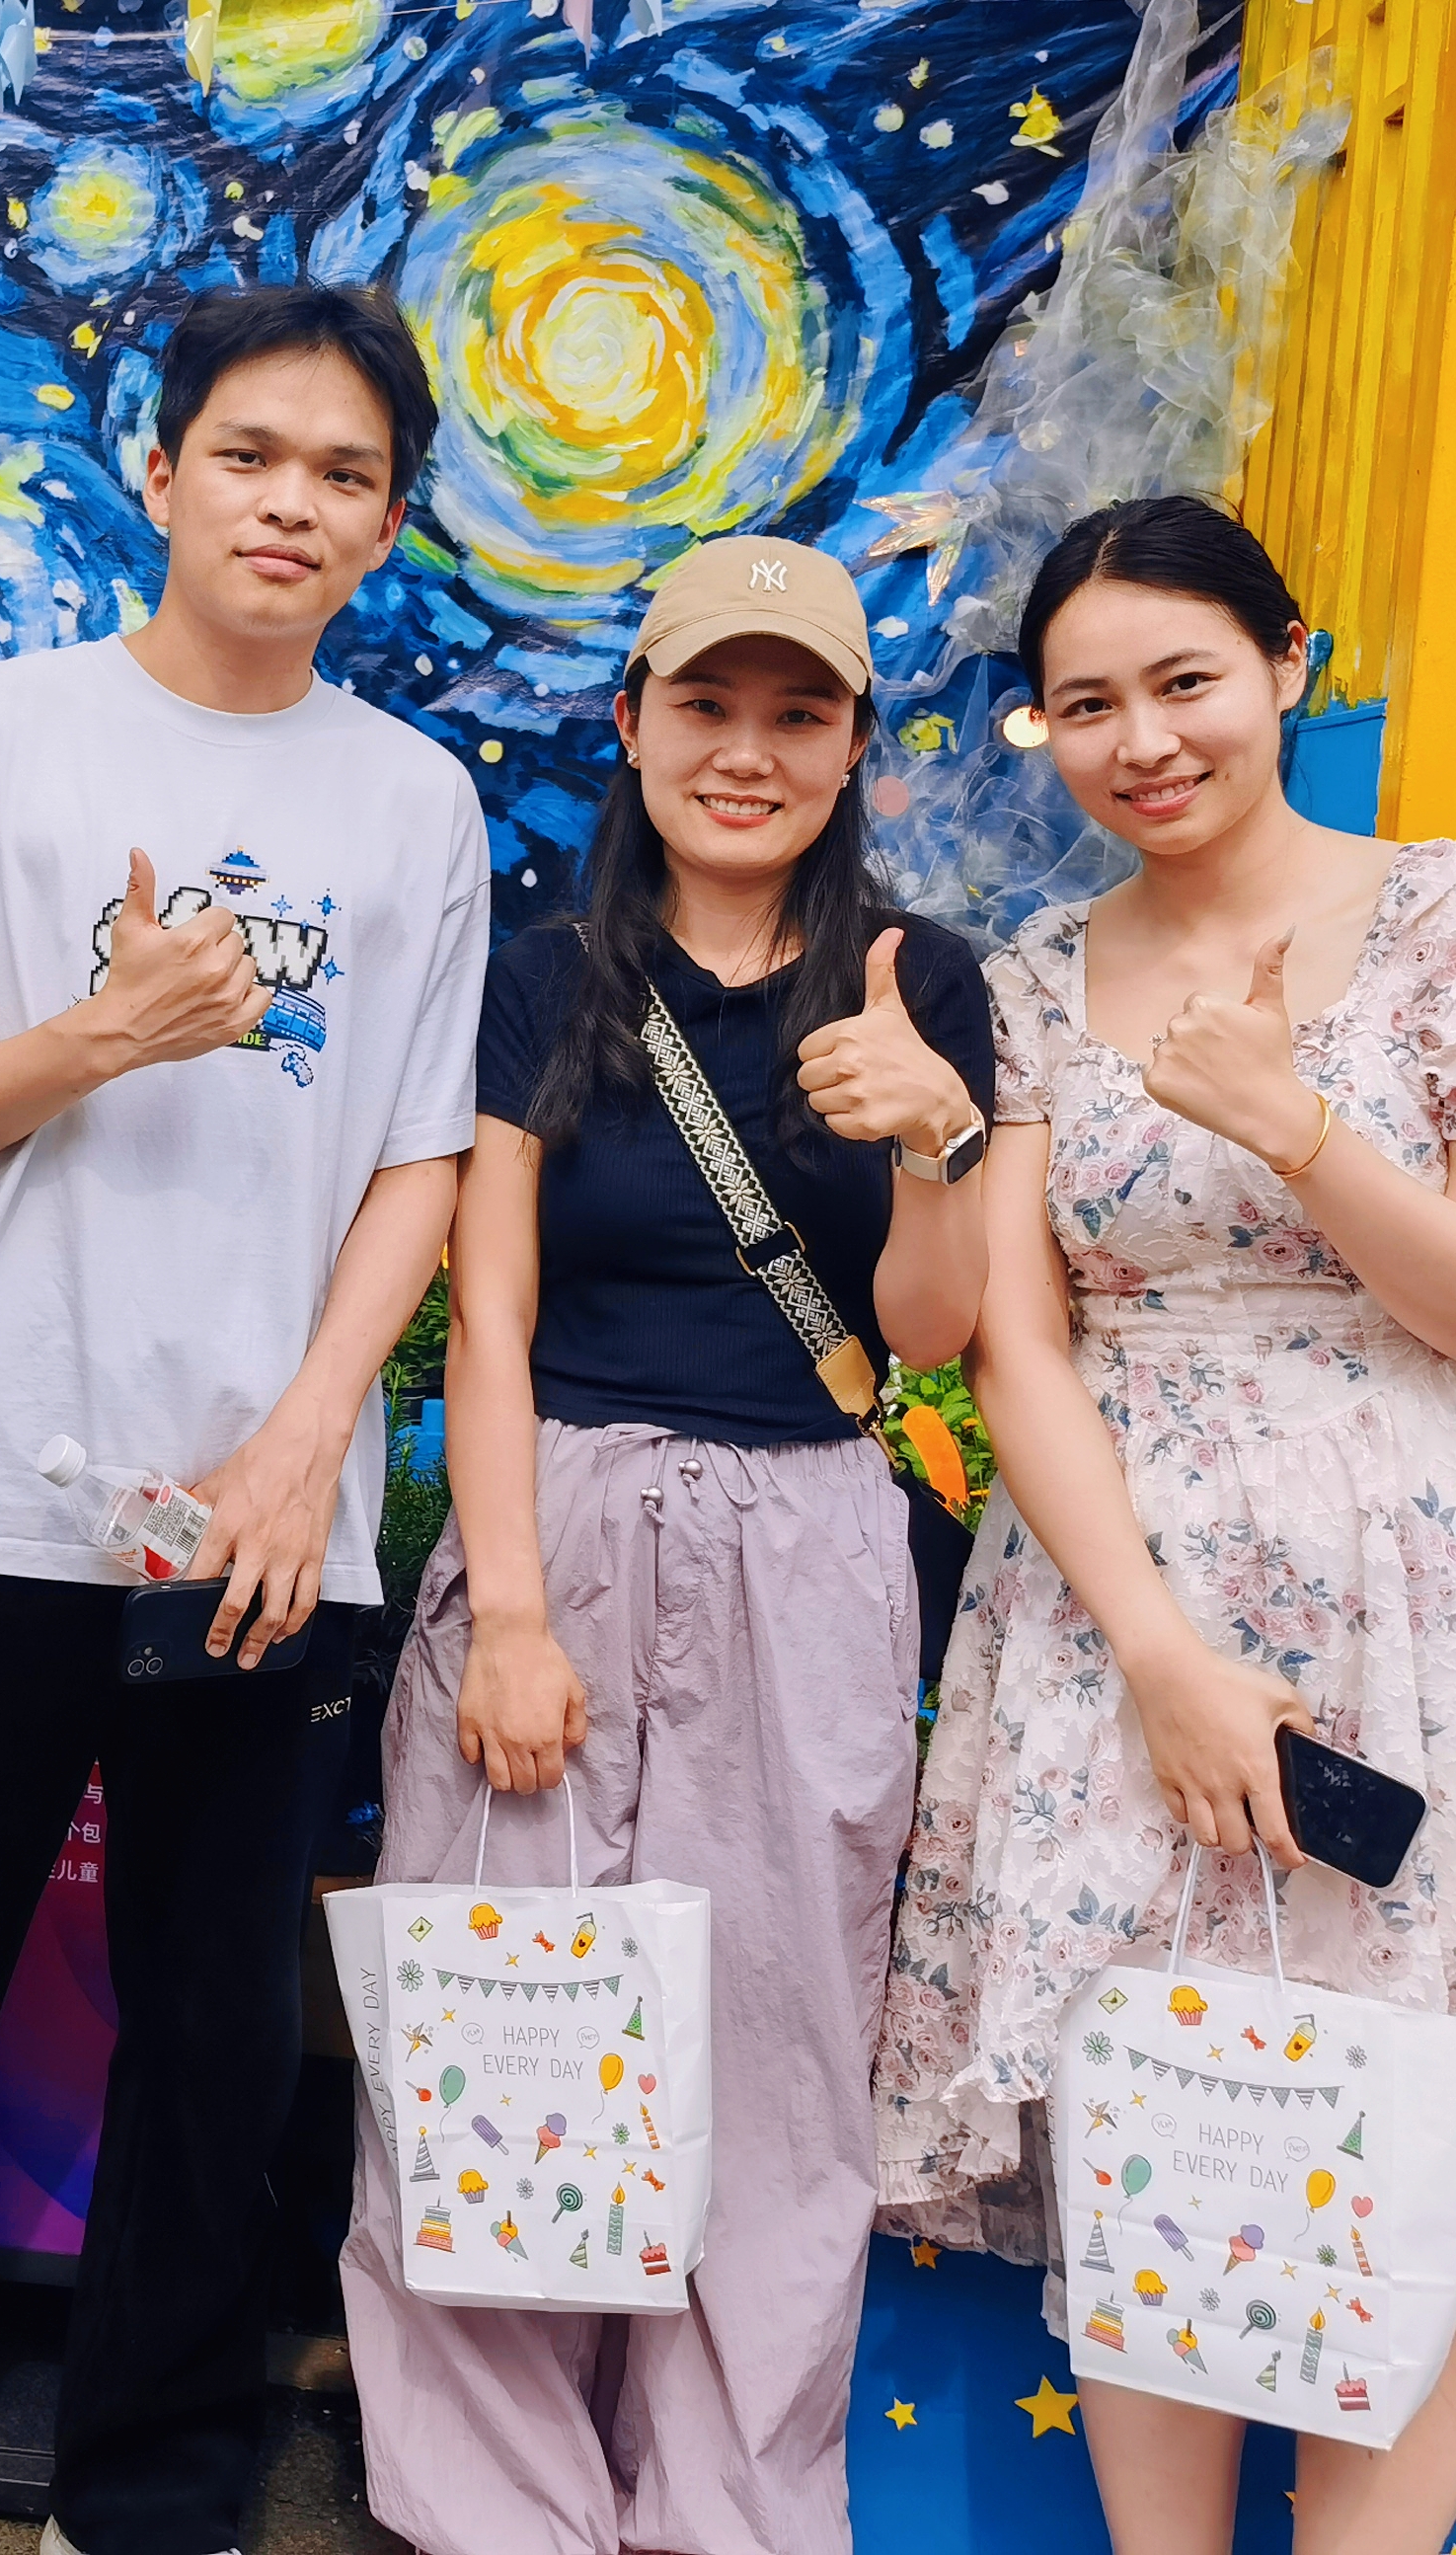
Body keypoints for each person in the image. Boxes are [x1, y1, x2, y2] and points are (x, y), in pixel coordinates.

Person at [0, 282, 487, 2555]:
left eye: (345, 475)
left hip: (257, 1521)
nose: (292, 504)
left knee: (218, 2036)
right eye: (250, 454)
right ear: (158, 473)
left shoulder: (413, 799)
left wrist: (312, 1438)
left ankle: (149, 2495)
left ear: (389, 523)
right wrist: (113, 1030)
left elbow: (419, 1158)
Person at [341, 536, 996, 2555]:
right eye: (706, 704)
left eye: (798, 714)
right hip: (557, 1514)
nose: (746, 751)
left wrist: (933, 1139)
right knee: (502, 2027)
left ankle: (728, 2514)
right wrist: (508, 1613)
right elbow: (493, 1312)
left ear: (856, 746)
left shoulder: (920, 981)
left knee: (779, 2055)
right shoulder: (544, 978)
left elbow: (930, 1337)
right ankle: (495, 2514)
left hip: (808, 1540)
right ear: (631, 724)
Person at [875, 496, 1456, 2555]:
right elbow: (1012, 1343)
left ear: (1287, 665)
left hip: (1408, 1597)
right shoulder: (1034, 979)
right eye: (1084, 706)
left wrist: (1294, 1124)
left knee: (1393, 2130)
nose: (1143, 742)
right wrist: (1158, 1660)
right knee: (1163, 2124)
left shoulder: (1434, 916)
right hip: (1115, 1611)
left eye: (1185, 681)